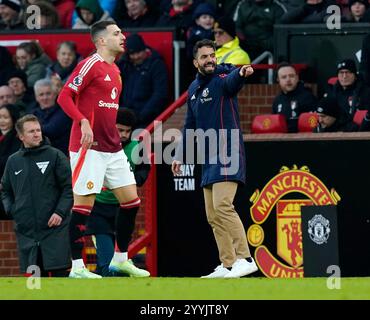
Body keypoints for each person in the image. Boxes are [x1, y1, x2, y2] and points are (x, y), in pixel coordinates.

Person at [57, 20, 141, 279]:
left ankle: (121, 259)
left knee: (131, 202)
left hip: (112, 148)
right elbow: (64, 96)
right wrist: (82, 121)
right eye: (117, 33)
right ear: (102, 40)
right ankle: (78, 268)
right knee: (83, 208)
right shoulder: (89, 64)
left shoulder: (116, 71)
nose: (123, 37)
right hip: (88, 148)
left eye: (122, 32)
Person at [172, 39, 258, 278]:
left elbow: (234, 80)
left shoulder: (222, 80)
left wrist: (241, 72)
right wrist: (180, 154)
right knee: (212, 214)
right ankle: (228, 263)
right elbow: (189, 125)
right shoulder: (193, 89)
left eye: (213, 56)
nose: (210, 60)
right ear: (195, 62)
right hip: (208, 157)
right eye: (205, 57)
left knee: (223, 205)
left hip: (227, 152)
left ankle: (245, 258)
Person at [1, 114, 72, 276]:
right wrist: (13, 210)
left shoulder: (55, 156)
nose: (36, 134)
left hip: (54, 230)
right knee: (33, 283)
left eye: (38, 130)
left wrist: (60, 212)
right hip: (27, 233)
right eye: (31, 131)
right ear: (21, 136)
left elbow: (69, 188)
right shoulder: (13, 161)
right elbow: (5, 189)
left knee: (59, 283)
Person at [85, 108, 150, 277]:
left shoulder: (137, 147)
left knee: (119, 264)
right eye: (120, 130)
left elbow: (144, 170)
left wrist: (130, 179)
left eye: (128, 131)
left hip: (123, 208)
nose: (124, 134)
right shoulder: (97, 145)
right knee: (108, 262)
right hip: (98, 207)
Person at [117, 33, 169, 128]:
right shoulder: (124, 65)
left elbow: (160, 94)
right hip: (124, 117)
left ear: (145, 49)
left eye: (138, 52)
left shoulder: (156, 64)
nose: (136, 56)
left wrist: (141, 116)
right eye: (132, 54)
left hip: (147, 120)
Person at [272, 62, 318, 132]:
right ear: (278, 80)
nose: (288, 80)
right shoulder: (277, 100)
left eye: (291, 76)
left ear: (297, 78)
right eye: (284, 77)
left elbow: (314, 123)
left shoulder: (308, 98)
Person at [33, 79, 71, 156]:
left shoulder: (64, 110)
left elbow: (52, 130)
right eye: (41, 94)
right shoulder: (33, 113)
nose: (45, 97)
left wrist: (32, 129)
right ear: (36, 97)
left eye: (48, 93)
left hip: (61, 155)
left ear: (55, 94)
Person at [325, 58, 370, 123]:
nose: (344, 76)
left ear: (355, 75)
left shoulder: (365, 92)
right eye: (341, 73)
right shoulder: (333, 92)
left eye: (347, 72)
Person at [0, 104, 21, 219]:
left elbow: (10, 164)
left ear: (13, 119)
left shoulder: (18, 138)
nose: (1, 121)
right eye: (0, 117)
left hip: (9, 188)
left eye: (5, 117)